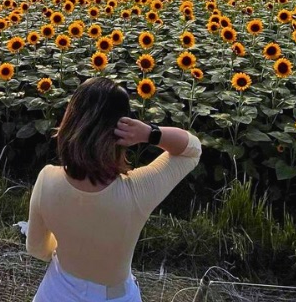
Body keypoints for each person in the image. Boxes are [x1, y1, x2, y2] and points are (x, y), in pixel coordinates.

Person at [26, 77, 202, 301]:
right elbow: (192, 150)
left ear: (70, 121)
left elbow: (37, 248)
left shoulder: (47, 180)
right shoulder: (138, 191)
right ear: (120, 132)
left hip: (57, 291)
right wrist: (150, 133)